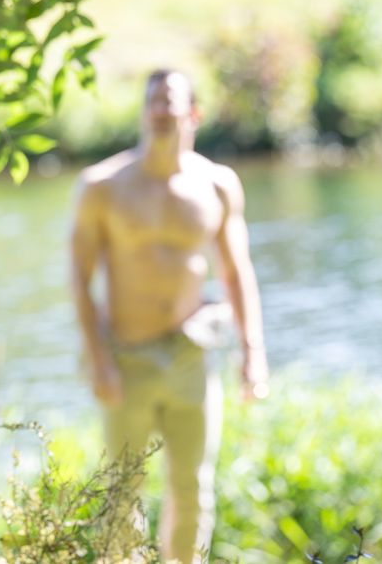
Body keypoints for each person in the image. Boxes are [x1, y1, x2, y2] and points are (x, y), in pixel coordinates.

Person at [69, 69, 269, 563]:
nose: (159, 110)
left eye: (170, 101)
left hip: (190, 355)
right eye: (152, 101)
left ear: (193, 113)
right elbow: (79, 277)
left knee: (193, 488)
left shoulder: (218, 186)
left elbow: (236, 271)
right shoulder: (102, 185)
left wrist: (253, 352)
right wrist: (97, 359)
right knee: (122, 492)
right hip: (126, 353)